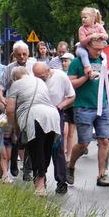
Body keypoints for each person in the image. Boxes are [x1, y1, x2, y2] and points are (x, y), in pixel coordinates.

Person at [5, 66, 61, 196]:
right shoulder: (40, 81)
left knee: (36, 151)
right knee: (46, 150)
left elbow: (9, 110)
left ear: (14, 78)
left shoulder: (16, 85)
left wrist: (15, 128)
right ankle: (41, 180)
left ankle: (40, 186)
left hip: (34, 116)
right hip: (52, 116)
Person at [67, 34, 109, 187]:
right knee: (84, 144)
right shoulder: (77, 62)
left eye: (102, 49)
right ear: (87, 47)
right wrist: (86, 77)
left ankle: (102, 174)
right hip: (83, 106)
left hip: (103, 105)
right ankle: (71, 165)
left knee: (104, 140)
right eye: (96, 50)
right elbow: (71, 84)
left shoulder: (104, 60)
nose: (99, 52)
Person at [32, 62, 75, 194]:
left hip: (56, 113)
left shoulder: (61, 77)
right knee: (39, 147)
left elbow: (71, 96)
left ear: (48, 71)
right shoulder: (34, 80)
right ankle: (40, 178)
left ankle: (61, 182)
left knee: (57, 147)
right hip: (38, 114)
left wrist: (60, 106)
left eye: (41, 76)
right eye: (36, 76)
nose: (39, 79)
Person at [0, 41, 36, 179]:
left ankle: (27, 169)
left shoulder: (34, 65)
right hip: (14, 107)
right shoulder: (9, 68)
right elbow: (1, 86)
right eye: (18, 54)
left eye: (24, 54)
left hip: (30, 107)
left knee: (29, 139)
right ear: (14, 54)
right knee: (15, 137)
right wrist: (2, 98)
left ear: (28, 53)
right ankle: (13, 161)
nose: (22, 57)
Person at [76, 7, 108, 79]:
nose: (83, 19)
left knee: (105, 52)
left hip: (95, 48)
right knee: (83, 54)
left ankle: (108, 68)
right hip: (83, 48)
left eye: (85, 17)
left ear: (93, 18)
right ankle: (88, 70)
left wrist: (100, 35)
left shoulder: (99, 26)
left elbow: (106, 36)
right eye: (82, 18)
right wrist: (90, 37)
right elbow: (82, 42)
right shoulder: (82, 29)